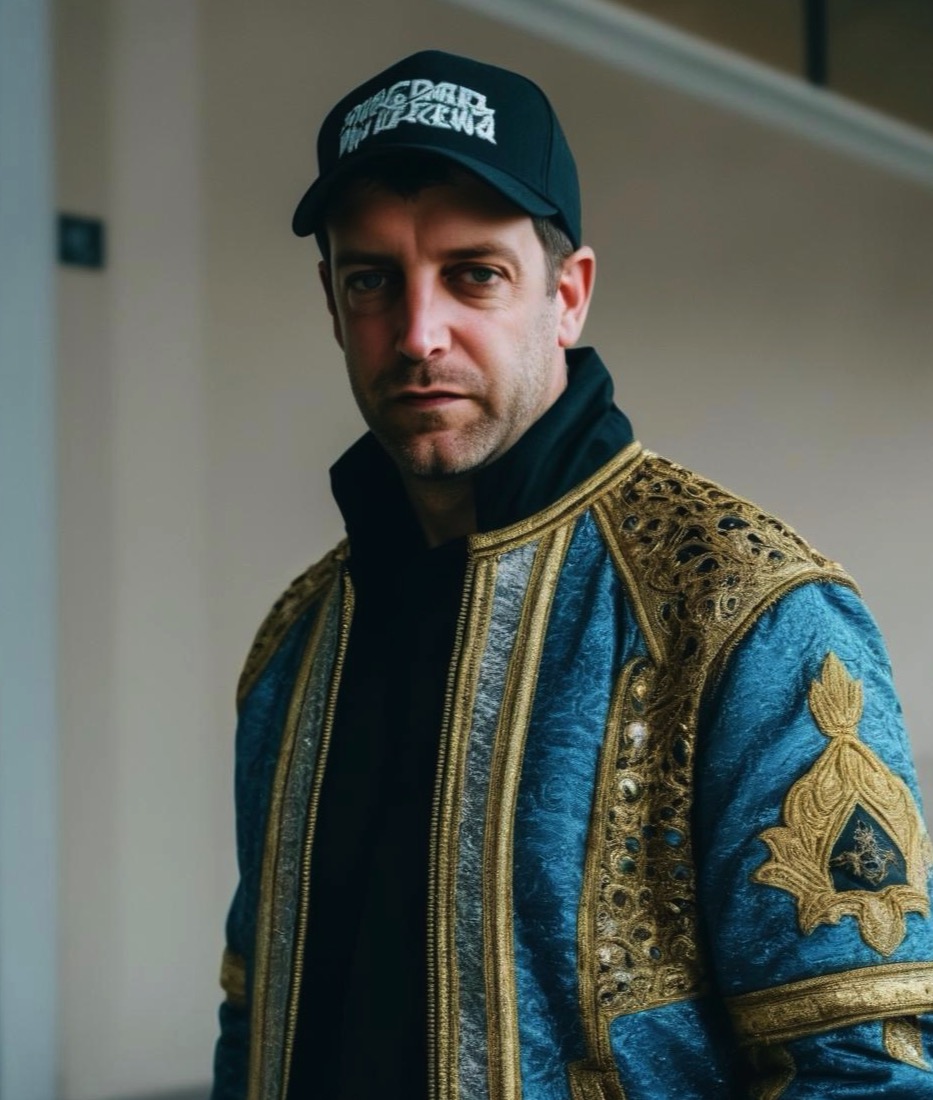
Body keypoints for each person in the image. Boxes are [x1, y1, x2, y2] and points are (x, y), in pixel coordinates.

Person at [211, 50, 933, 1100]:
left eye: (473, 274)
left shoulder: (747, 610)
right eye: (372, 280)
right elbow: (251, 1014)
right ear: (332, 301)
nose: (417, 334)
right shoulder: (298, 638)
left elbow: (864, 1070)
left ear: (567, 295)